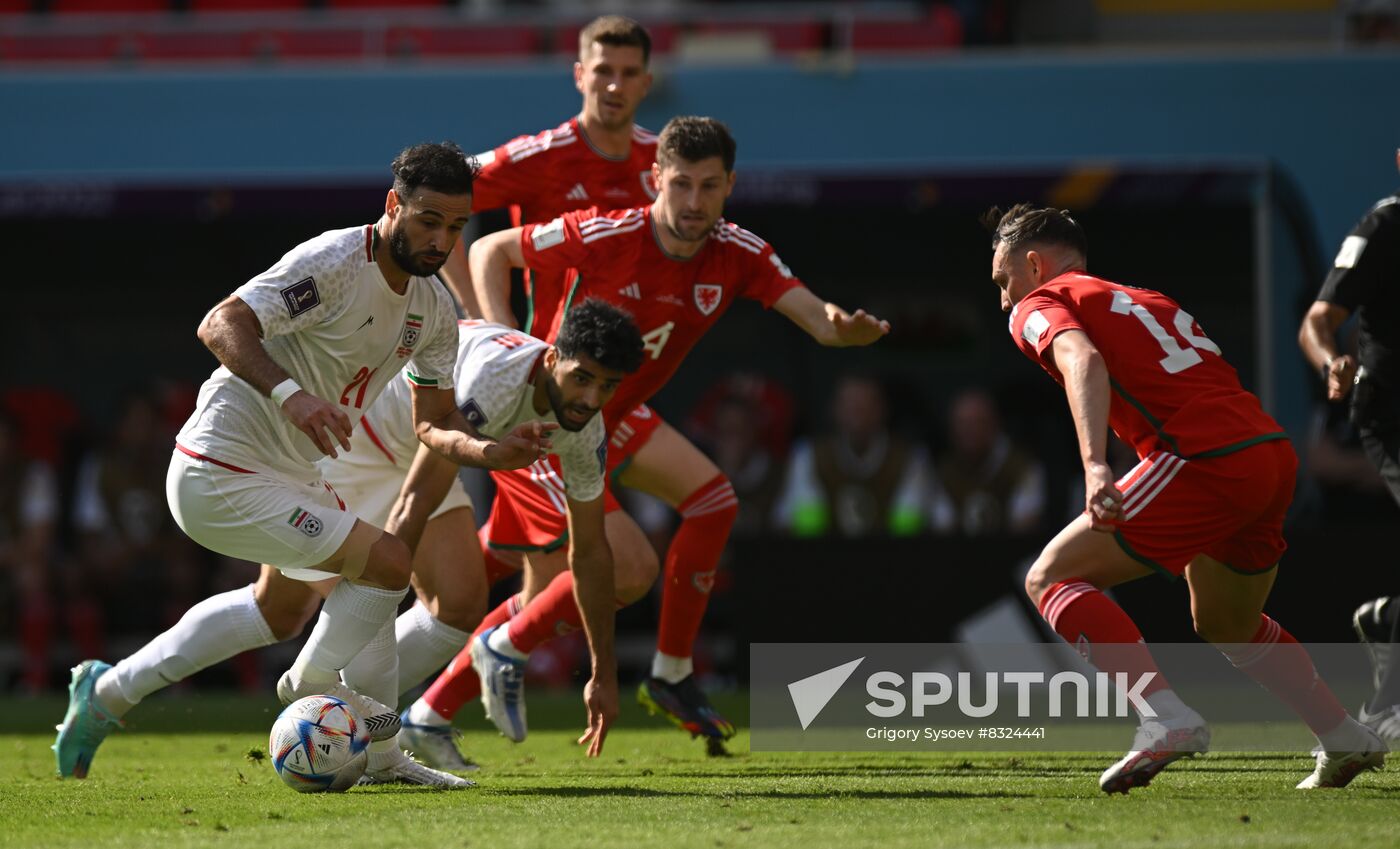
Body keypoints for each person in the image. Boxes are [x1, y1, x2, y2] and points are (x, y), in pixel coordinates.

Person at [52, 142, 552, 788]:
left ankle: (108, 693)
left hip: (294, 476)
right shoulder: (337, 262)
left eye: (454, 227)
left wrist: (492, 454)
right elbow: (221, 321)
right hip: (217, 468)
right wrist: (296, 397)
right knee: (385, 564)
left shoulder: (432, 312)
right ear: (393, 204)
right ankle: (315, 685)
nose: (440, 239)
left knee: (292, 607)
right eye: (428, 220)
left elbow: (432, 425)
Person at [406, 115, 890, 748]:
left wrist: (838, 327)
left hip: (616, 416)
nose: (694, 203)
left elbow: (816, 317)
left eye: (709, 187)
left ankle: (666, 673)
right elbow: (492, 249)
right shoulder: (611, 231)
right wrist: (510, 343)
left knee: (711, 502)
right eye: (681, 184)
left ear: (729, 186)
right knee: (623, 571)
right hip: (553, 418)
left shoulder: (738, 252)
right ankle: (470, 661)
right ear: (655, 178)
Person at [989, 202, 1384, 793]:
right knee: (1228, 620)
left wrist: (1096, 467)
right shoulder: (1149, 299)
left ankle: (1165, 718)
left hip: (1204, 459)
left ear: (1035, 263)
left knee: (1050, 578)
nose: (1003, 300)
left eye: (1003, 281)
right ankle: (1342, 734)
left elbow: (1083, 362)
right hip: (1269, 453)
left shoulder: (1039, 304)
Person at [328, 299, 649, 763]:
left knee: (459, 604)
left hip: (445, 439)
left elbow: (592, 552)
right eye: (582, 379)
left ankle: (351, 711)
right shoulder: (496, 383)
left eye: (608, 386)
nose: (591, 400)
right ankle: (340, 714)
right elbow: (415, 499)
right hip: (369, 427)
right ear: (552, 359)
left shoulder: (585, 430)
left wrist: (603, 672)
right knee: (287, 604)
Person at [1298, 151, 1400, 741]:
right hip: (1392, 414)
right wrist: (1331, 362)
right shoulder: (1386, 226)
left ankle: (1391, 623)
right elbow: (1317, 320)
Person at [774, 374, 930, 537]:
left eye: (865, 405)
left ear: (882, 410)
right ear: (834, 409)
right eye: (849, 404)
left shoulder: (910, 458)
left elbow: (909, 529)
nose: (856, 412)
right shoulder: (808, 456)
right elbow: (799, 526)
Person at [927, 387, 1047, 536]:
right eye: (962, 424)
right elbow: (943, 528)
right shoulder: (945, 470)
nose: (968, 431)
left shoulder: (1021, 467)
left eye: (976, 423)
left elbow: (1025, 527)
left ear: (994, 424)